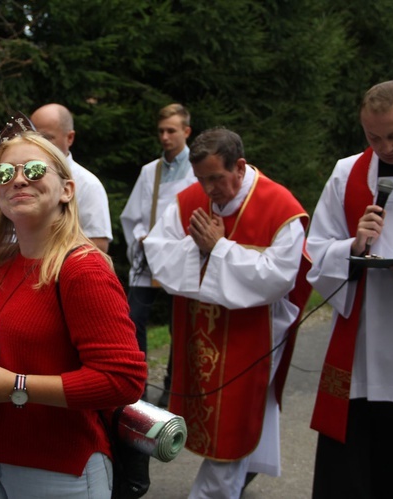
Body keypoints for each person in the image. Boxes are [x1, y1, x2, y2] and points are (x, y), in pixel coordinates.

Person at [0, 131, 146, 498]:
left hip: (54, 464)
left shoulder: (83, 270)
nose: (18, 179)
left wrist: (18, 387)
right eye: (4, 174)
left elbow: (123, 380)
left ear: (67, 190)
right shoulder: (0, 264)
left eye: (34, 170)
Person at [143, 127, 310, 498]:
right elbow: (158, 251)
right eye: (201, 179)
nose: (209, 190)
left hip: (252, 338)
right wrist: (201, 251)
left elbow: (278, 278)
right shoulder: (190, 201)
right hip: (199, 336)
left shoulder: (280, 207)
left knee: (234, 424)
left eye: (216, 178)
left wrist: (218, 248)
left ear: (240, 166)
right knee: (215, 422)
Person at [306, 80, 393, 498]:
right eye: (373, 137)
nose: (384, 148)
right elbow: (316, 249)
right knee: (355, 465)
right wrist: (353, 245)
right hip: (363, 348)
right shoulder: (347, 172)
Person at [119, 103, 197, 404]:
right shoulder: (150, 171)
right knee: (134, 318)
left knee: (180, 325)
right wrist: (142, 236)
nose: (165, 137)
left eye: (171, 131)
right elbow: (133, 216)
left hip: (181, 256)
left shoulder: (197, 169)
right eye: (161, 131)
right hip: (148, 257)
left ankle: (172, 388)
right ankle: (136, 388)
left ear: (186, 132)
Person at [30, 103, 113, 253]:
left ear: (69, 138)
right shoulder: (21, 179)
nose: (38, 145)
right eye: (33, 137)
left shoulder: (88, 184)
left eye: (46, 138)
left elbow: (98, 245)